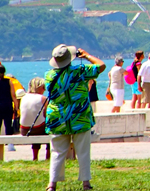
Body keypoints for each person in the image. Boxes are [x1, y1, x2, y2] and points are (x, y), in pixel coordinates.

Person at [44, 45, 105, 191]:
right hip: (79, 117)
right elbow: (101, 66)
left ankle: (52, 184)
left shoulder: (49, 75)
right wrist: (86, 55)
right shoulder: (80, 72)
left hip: (58, 118)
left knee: (57, 152)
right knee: (83, 151)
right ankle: (85, 183)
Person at [19, 78, 48, 161]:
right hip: (37, 129)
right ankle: (48, 156)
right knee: (49, 128)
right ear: (40, 87)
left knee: (37, 125)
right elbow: (47, 115)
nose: (44, 89)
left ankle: (35, 157)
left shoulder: (23, 97)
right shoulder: (43, 98)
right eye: (43, 87)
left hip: (24, 129)